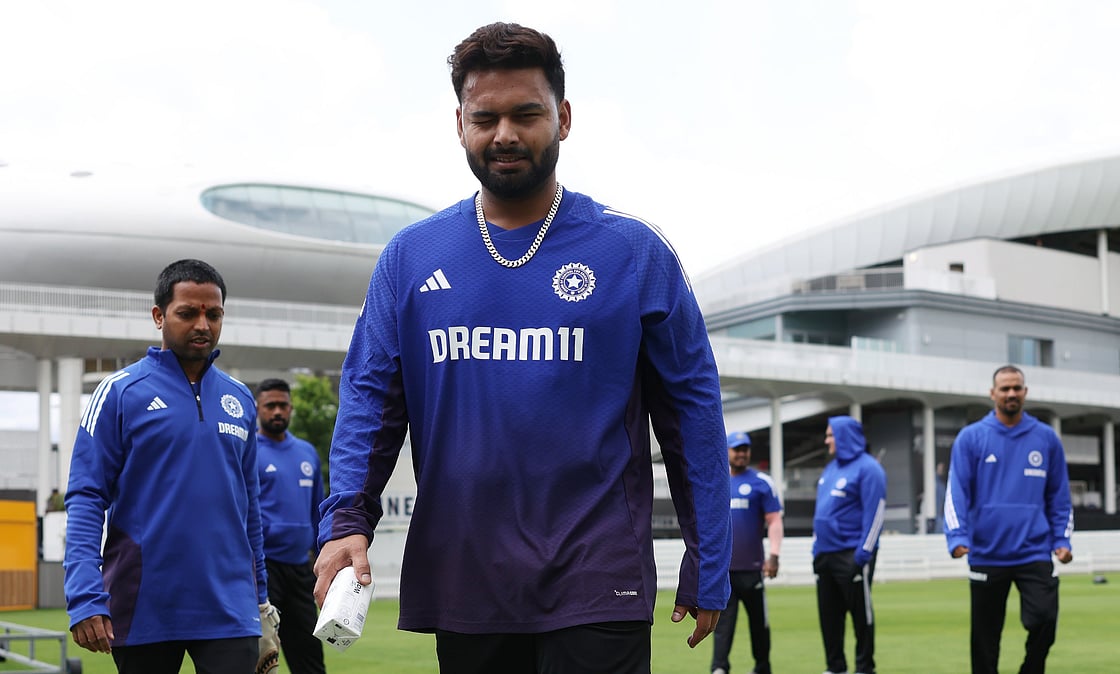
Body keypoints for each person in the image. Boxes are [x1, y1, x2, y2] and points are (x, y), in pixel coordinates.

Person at [312, 21, 731, 674]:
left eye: (525, 113)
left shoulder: (632, 253)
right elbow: (370, 402)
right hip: (467, 574)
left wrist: (710, 550)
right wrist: (346, 523)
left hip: (598, 576)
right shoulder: (411, 257)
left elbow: (693, 414)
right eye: (486, 117)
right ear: (460, 125)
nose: (504, 133)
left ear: (562, 118)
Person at [63, 259, 279, 674]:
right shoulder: (119, 392)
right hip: (145, 603)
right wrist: (85, 596)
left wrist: (261, 597)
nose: (203, 324)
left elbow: (249, 505)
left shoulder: (239, 399)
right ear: (159, 316)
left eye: (213, 314)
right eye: (188, 313)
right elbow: (86, 497)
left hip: (230, 608)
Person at [944, 365, 1074, 674]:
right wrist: (957, 536)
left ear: (1025, 392)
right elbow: (956, 491)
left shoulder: (1046, 438)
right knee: (985, 638)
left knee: (1044, 619)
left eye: (1017, 388)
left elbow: (1060, 496)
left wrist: (1062, 539)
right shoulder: (971, 438)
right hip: (987, 552)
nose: (1011, 393)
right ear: (993, 394)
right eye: (1005, 389)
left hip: (1034, 551)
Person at [256, 378, 326, 674]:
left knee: (309, 657)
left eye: (283, 405)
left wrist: (320, 555)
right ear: (257, 408)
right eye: (270, 405)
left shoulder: (307, 452)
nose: (277, 412)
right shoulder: (248, 450)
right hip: (264, 570)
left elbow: (317, 512)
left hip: (300, 572)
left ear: (291, 408)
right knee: (262, 658)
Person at [812, 415, 886, 674]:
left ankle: (865, 668)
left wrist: (863, 554)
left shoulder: (869, 469)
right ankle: (835, 667)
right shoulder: (830, 469)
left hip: (852, 554)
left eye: (831, 435)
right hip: (825, 555)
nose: (826, 440)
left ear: (844, 436)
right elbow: (822, 512)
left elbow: (875, 514)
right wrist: (816, 549)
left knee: (860, 616)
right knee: (829, 617)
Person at [711, 431, 783, 674]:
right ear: (727, 450)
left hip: (752, 570)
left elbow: (774, 520)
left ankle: (762, 667)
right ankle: (719, 668)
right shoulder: (716, 481)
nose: (741, 453)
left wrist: (774, 555)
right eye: (736, 449)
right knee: (722, 625)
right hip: (724, 572)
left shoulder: (762, 482)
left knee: (759, 625)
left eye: (745, 449)